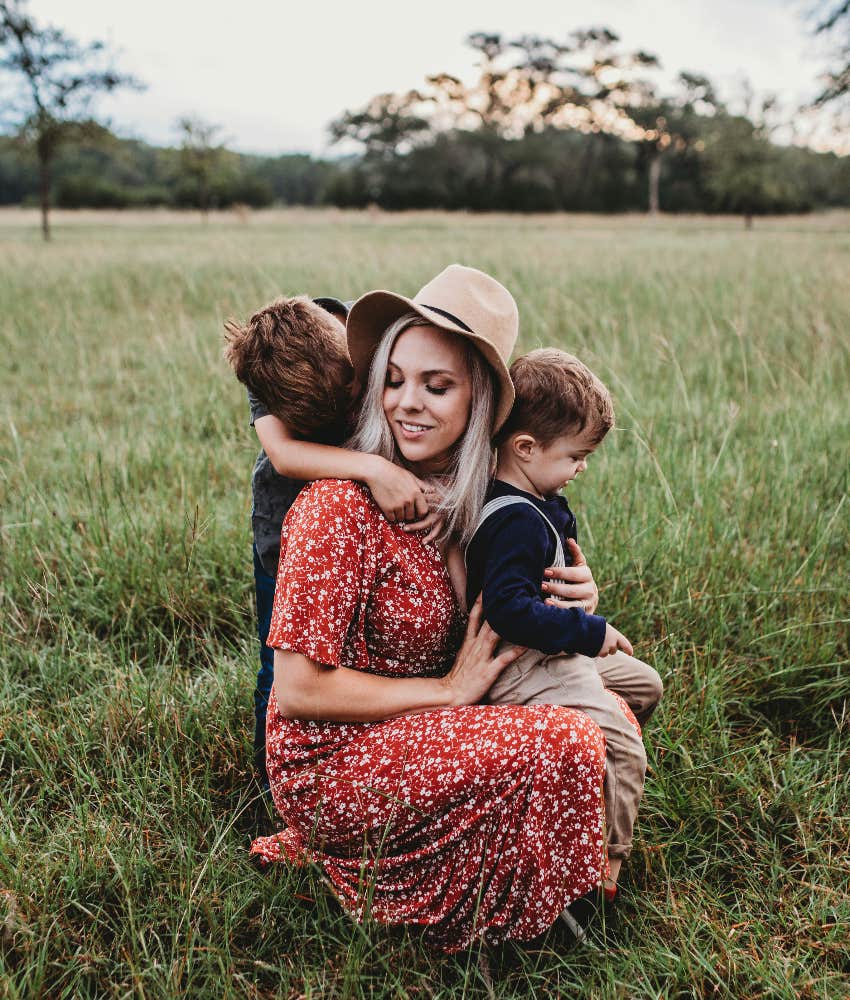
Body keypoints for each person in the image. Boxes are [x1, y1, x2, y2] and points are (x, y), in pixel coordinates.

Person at [250, 265, 609, 952]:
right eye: (393, 379)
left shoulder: (478, 500)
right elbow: (296, 692)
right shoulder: (337, 506)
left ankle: (502, 868)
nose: (405, 404)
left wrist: (578, 593)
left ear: (481, 405)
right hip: (336, 761)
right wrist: (447, 692)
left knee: (611, 706)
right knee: (569, 740)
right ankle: (485, 907)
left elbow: (522, 605)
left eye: (436, 386)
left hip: (430, 727)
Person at [465, 348, 663, 903]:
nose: (583, 466)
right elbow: (507, 610)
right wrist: (589, 632)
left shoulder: (537, 497)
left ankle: (582, 793)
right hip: (525, 666)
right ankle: (603, 865)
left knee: (645, 685)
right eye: (577, 455)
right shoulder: (511, 521)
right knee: (624, 744)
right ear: (525, 448)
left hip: (554, 654)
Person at [224, 296, 436, 784]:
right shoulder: (269, 365)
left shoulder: (346, 333)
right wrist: (372, 468)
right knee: (280, 661)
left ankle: (362, 750)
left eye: (355, 384)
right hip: (284, 524)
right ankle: (273, 777)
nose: (361, 391)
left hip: (363, 525)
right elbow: (282, 453)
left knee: (362, 645)